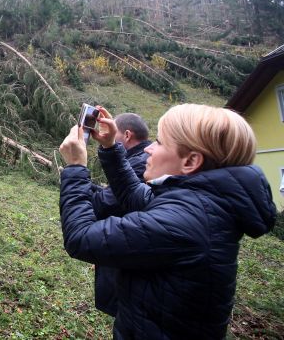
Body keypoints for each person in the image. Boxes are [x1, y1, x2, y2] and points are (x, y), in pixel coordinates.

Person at [59, 104, 276, 339]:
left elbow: (80, 238)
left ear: (191, 161)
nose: (149, 149)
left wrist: (75, 168)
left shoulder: (185, 222)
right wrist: (111, 147)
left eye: (160, 142)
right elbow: (135, 195)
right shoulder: (198, 202)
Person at [91, 113, 151, 317]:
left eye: (113, 133)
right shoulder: (136, 158)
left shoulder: (142, 162)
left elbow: (105, 204)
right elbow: (113, 194)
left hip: (125, 257)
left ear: (126, 135)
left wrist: (76, 174)